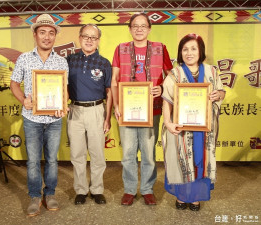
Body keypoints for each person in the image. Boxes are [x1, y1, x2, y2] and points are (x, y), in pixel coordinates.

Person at [111, 13, 173, 206]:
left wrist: (162, 88)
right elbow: (114, 80)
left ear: (149, 28)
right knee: (128, 153)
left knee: (148, 153)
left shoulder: (160, 48)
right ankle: (129, 190)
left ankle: (147, 189)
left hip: (152, 110)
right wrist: (116, 105)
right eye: (135, 26)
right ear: (129, 29)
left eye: (143, 25)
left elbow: (171, 76)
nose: (139, 29)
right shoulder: (120, 49)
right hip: (126, 111)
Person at [10, 14, 68, 216]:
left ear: (54, 36)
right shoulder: (24, 58)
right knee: (33, 161)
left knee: (52, 160)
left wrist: (64, 104)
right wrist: (23, 100)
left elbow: (64, 89)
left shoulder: (61, 62)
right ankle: (35, 196)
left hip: (54, 119)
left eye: (51, 33)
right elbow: (14, 83)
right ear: (35, 34)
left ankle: (50, 194)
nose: (47, 37)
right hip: (31, 119)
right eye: (42, 32)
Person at [161, 33, 225, 211]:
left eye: (193, 49)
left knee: (201, 160)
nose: (189, 53)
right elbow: (167, 100)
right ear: (180, 52)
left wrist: (218, 94)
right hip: (181, 129)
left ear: (200, 51)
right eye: (185, 49)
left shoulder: (212, 71)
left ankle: (195, 198)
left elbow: (221, 92)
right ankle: (182, 197)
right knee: (182, 160)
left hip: (205, 129)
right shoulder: (174, 74)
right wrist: (167, 122)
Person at [66, 24, 112, 205]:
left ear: (98, 41)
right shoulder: (69, 60)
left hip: (96, 110)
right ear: (80, 38)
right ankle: (81, 190)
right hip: (75, 110)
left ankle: (97, 189)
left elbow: (109, 92)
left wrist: (107, 118)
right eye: (86, 36)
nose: (89, 40)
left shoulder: (104, 63)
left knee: (97, 153)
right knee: (77, 154)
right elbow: (61, 86)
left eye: (93, 37)